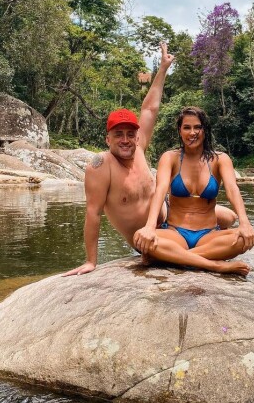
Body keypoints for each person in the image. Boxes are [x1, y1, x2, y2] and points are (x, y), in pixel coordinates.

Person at [63, 45, 236, 276]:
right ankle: (205, 260)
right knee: (206, 233)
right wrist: (90, 261)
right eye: (118, 135)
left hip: (174, 220)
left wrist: (163, 68)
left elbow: (150, 109)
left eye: (129, 134)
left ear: (136, 136)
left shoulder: (139, 147)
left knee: (229, 217)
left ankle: (186, 254)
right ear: (107, 139)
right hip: (147, 235)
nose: (125, 140)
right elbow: (93, 213)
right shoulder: (102, 166)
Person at [133, 106, 254, 276]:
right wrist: (149, 226)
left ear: (205, 130)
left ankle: (173, 258)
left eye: (198, 127)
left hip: (209, 235)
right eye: (187, 127)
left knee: (245, 239)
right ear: (179, 131)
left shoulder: (220, 159)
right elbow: (160, 191)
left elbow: (232, 189)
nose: (192, 133)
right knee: (139, 238)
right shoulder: (170, 158)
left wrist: (245, 222)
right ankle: (215, 265)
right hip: (175, 233)